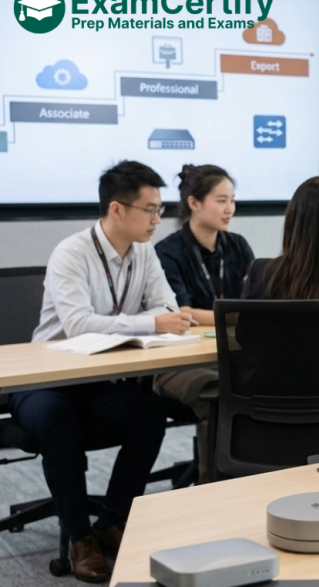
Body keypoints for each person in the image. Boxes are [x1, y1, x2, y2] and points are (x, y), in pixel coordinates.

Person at [11, 161, 191, 582]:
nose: (157, 219)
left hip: (97, 379)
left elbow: (166, 305)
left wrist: (157, 319)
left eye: (160, 209)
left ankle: (111, 519)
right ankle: (80, 539)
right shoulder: (71, 253)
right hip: (46, 380)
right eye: (149, 209)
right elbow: (78, 324)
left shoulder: (144, 253)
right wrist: (150, 323)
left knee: (148, 417)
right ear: (117, 209)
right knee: (58, 422)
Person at [154, 164, 254, 483]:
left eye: (232, 200)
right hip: (179, 361)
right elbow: (181, 312)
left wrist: (226, 314)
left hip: (231, 353)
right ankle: (212, 486)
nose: (230, 209)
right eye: (221, 200)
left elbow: (255, 306)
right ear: (194, 203)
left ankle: (252, 477)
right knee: (219, 393)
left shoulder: (237, 245)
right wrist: (234, 314)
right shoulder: (168, 251)